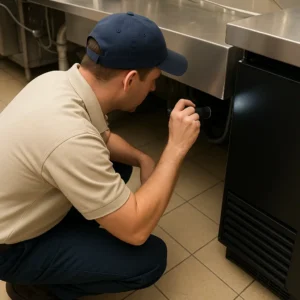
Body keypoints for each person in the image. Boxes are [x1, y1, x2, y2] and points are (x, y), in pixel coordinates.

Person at [0, 12, 200, 300]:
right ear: (130, 80)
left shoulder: (58, 82)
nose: (154, 88)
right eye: (154, 79)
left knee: (119, 162)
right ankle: (35, 287)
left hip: (17, 206)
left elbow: (103, 137)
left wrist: (144, 159)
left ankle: (71, 238)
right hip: (11, 248)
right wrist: (176, 148)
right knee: (148, 260)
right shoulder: (69, 134)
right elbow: (136, 231)